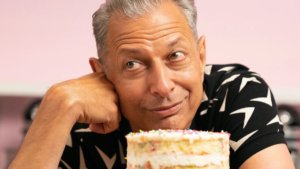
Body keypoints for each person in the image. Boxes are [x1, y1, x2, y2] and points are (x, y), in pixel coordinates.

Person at [9, 0, 295, 169]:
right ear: (102, 73)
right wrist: (58, 105)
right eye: (132, 64)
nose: (162, 86)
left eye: (175, 55)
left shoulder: (236, 94)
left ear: (201, 56)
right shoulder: (80, 121)